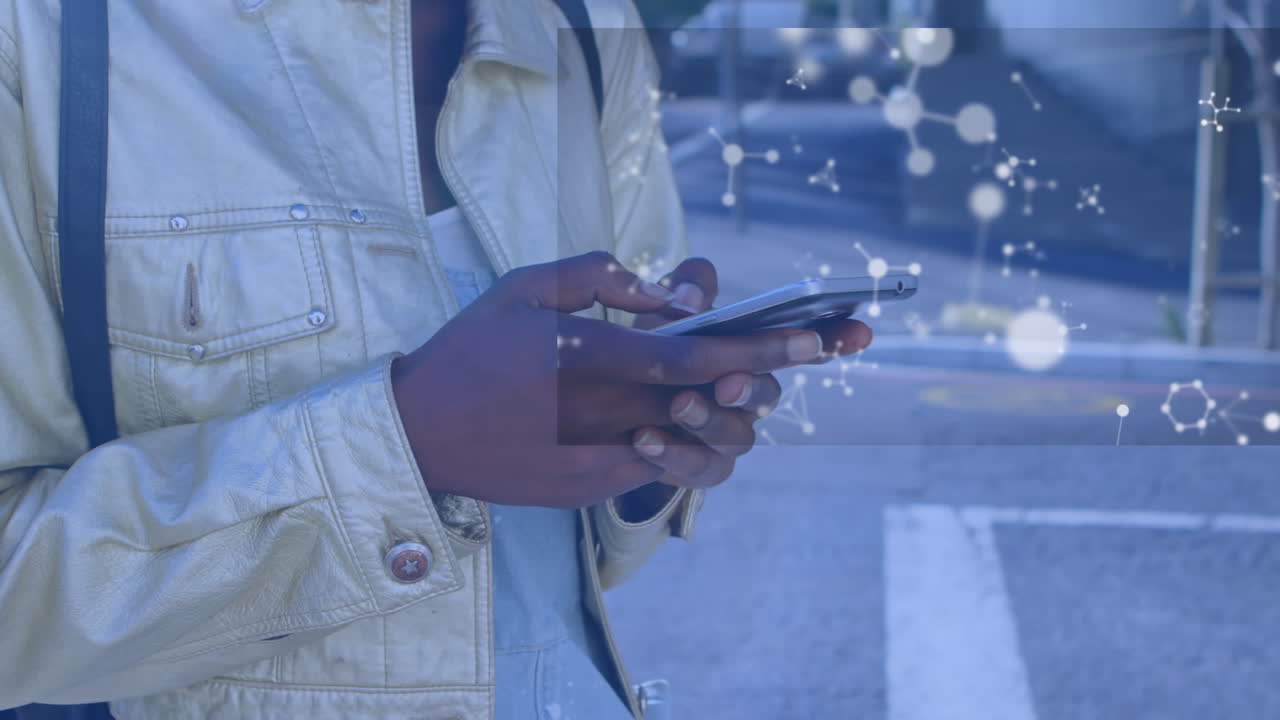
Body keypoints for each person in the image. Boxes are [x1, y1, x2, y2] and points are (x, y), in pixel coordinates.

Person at [0, 1, 873, 718]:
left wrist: (651, 439)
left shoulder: (581, 34)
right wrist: (404, 452)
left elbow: (573, 568)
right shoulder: (41, 41)